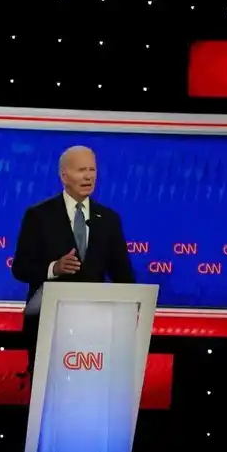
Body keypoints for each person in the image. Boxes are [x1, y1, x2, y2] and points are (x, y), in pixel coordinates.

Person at [10, 145, 135, 369]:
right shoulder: (38, 216)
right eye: (81, 170)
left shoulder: (108, 219)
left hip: (94, 327)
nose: (88, 176)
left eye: (92, 170)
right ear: (64, 176)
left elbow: (123, 275)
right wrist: (54, 268)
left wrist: (131, 309)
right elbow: (20, 268)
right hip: (48, 322)